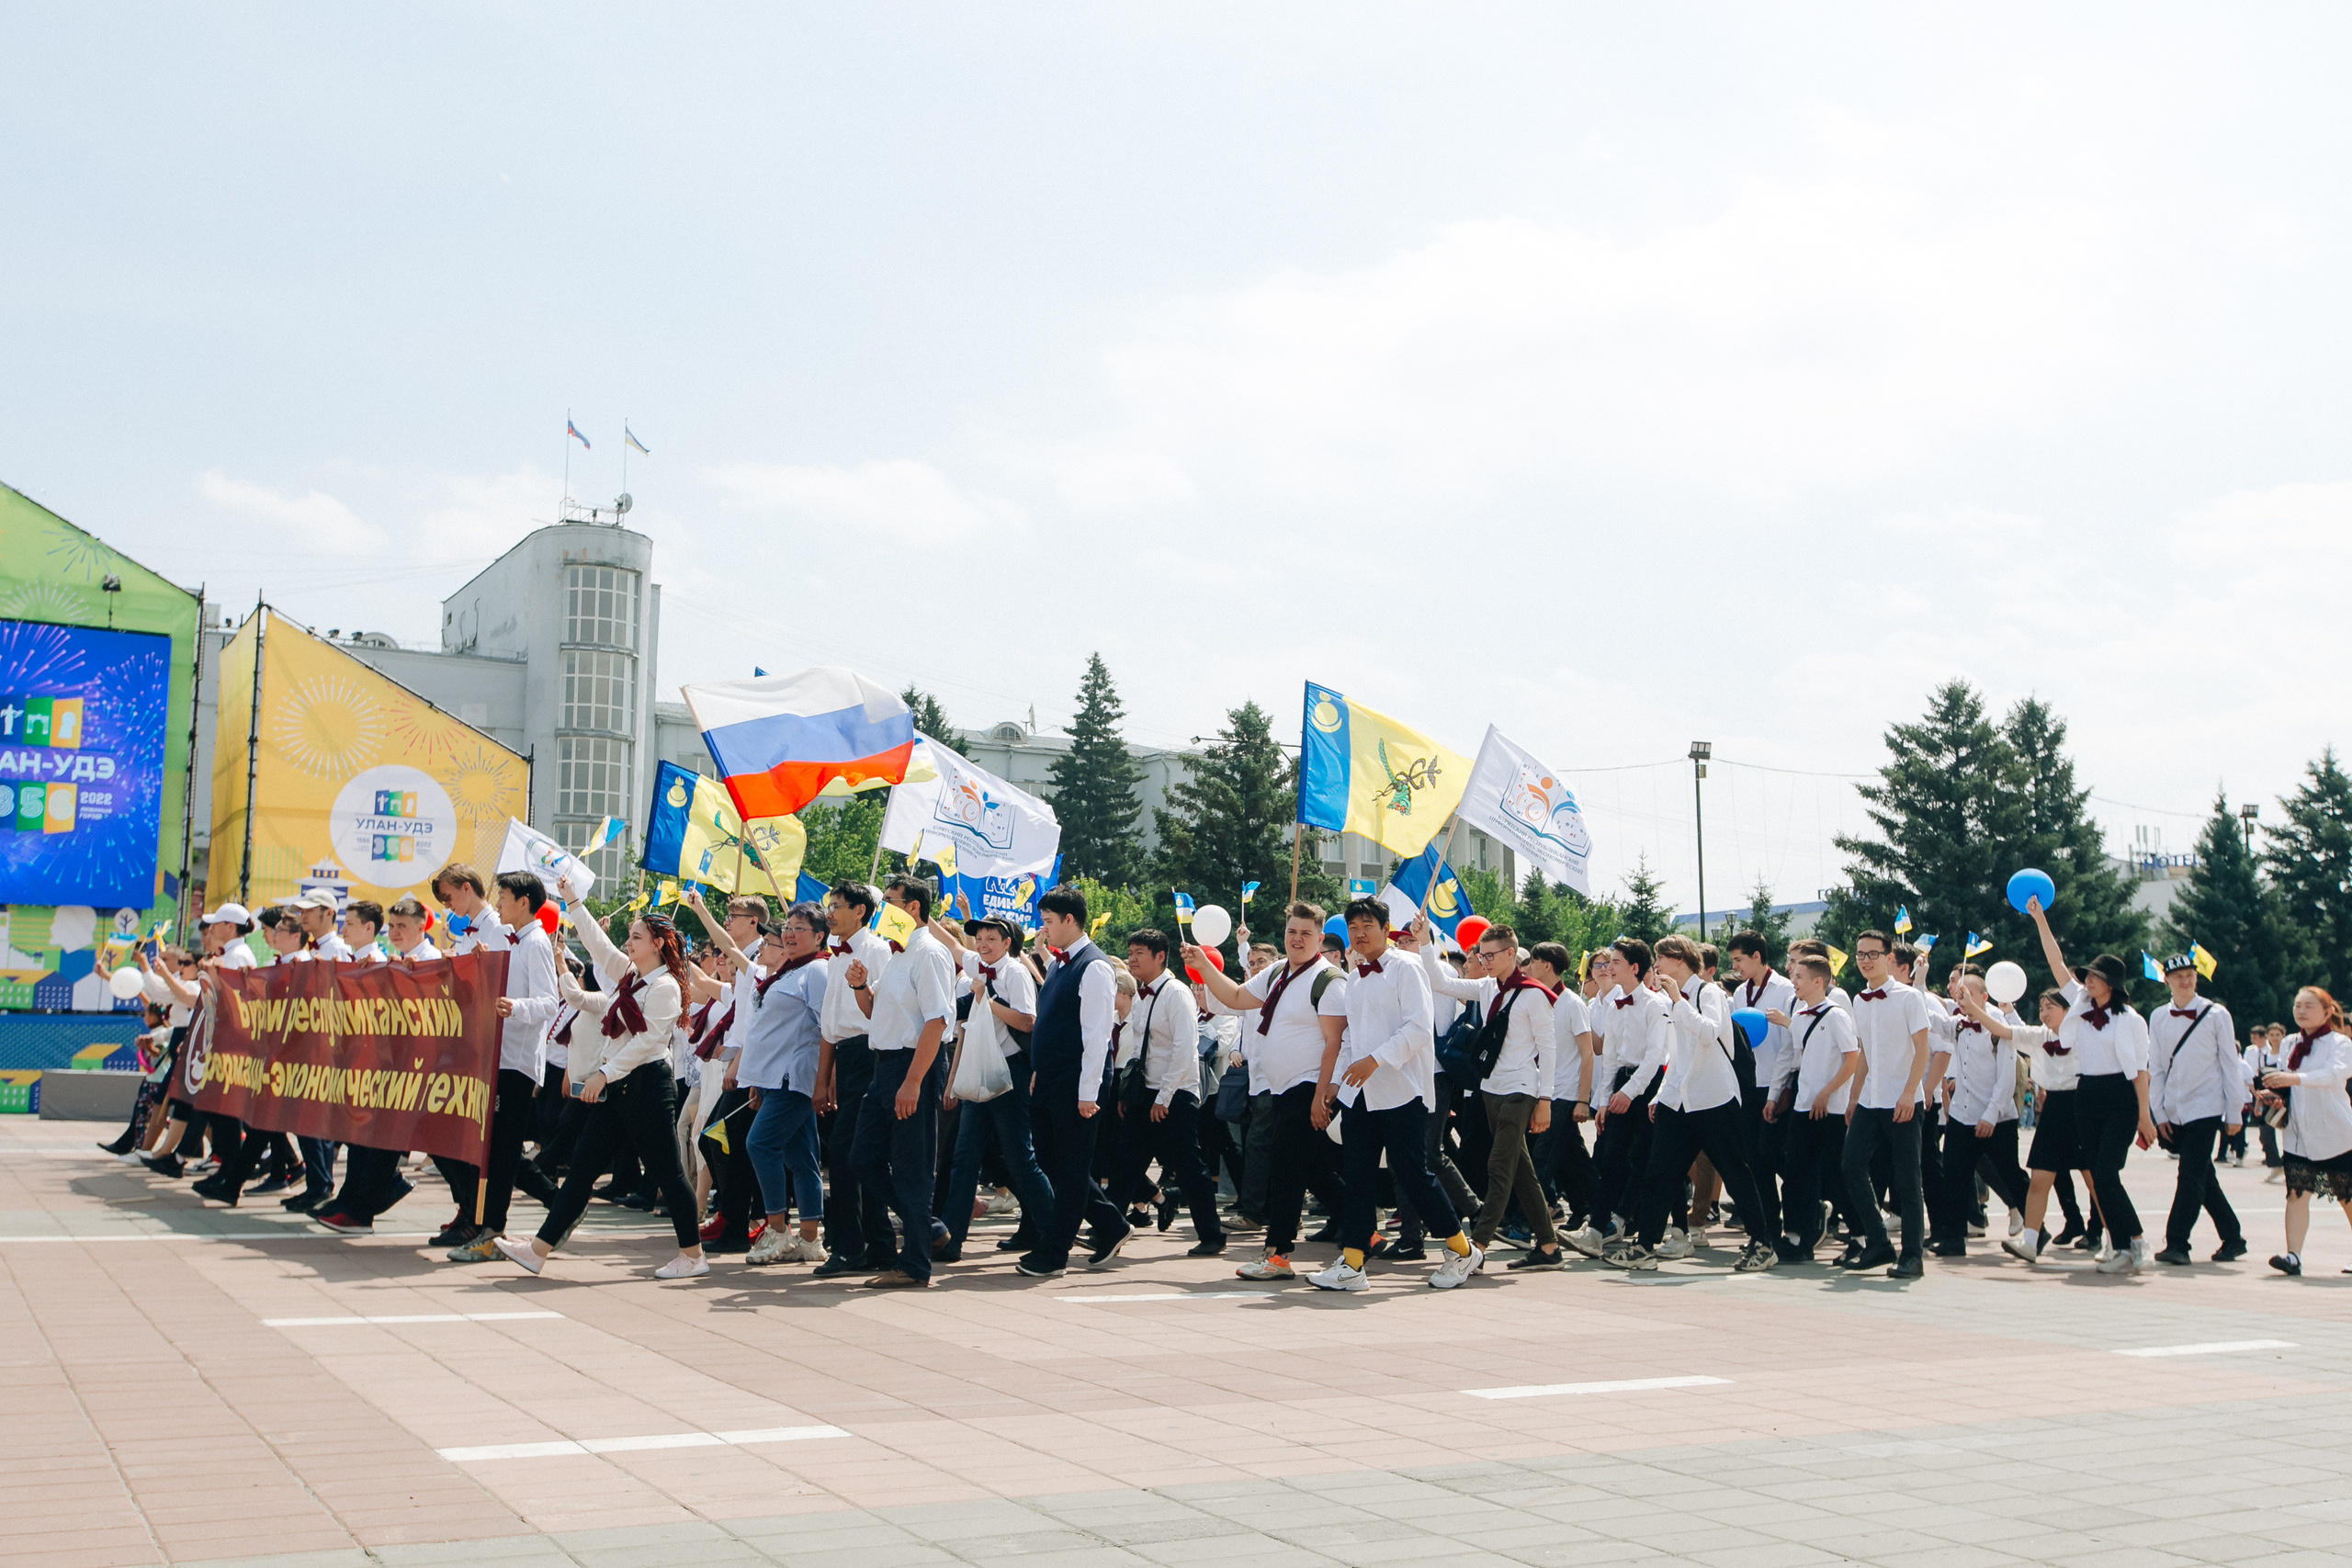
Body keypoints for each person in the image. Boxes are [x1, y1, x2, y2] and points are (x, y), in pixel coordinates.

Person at [497, 884, 707, 1279]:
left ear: (659, 943)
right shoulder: (631, 976)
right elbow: (596, 944)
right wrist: (573, 902)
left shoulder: (665, 988)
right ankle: (538, 1251)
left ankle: (692, 1256)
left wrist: (602, 1074)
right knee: (581, 1168)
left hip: (647, 1087)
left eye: (636, 937)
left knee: (668, 1173)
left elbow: (646, 1044)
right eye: (629, 936)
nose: (628, 942)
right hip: (619, 1086)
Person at [1306, 900, 1483, 1292]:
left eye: (1367, 924)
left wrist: (1376, 1060)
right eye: (1353, 927)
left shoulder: (1407, 968)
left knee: (1412, 1173)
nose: (1359, 933)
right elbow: (1351, 1035)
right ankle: (1352, 1263)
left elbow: (1420, 1028)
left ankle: (1461, 1248)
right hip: (1361, 1095)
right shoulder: (1354, 976)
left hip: (1402, 1089)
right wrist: (1337, 1081)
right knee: (1357, 1175)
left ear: (1386, 928)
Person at [1188, 901, 1349, 1281]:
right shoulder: (1277, 972)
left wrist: (1321, 1096)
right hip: (1277, 1088)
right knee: (1314, 1171)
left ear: (1319, 938)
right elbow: (1237, 998)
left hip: (1307, 1086)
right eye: (1292, 931)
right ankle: (1364, 1231)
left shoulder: (1329, 981)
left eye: (1306, 933)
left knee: (1288, 1171)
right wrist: (1203, 963)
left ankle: (1278, 1255)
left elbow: (1334, 1044)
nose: (1297, 939)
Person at [1608, 934, 1778, 1273]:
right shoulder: (1673, 1000)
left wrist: (1678, 1001)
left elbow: (1709, 1032)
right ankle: (1645, 1246)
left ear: (1680, 959)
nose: (1656, 964)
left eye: (1661, 957)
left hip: (1715, 1098)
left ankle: (1763, 1243)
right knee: (1660, 1172)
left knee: (1735, 1172)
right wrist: (1662, 1096)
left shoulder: (1708, 992)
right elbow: (1678, 1054)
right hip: (1681, 1100)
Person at [1419, 919, 1565, 1269]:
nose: (1483, 961)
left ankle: (1477, 1247)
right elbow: (1440, 983)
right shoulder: (1486, 988)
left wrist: (1545, 1100)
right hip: (1490, 1090)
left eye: (1490, 955)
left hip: (1522, 1090)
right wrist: (1425, 942)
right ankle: (1548, 1247)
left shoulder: (1534, 994)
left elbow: (1549, 1049)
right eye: (1480, 955)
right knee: (1520, 1172)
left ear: (1511, 954)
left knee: (1499, 1167)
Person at [2027, 897, 2155, 1274]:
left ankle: (2135, 1242)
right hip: (2087, 1095)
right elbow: (2056, 962)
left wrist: (2144, 1116)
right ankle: (2124, 1245)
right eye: (2088, 976)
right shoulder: (2081, 1003)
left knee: (2106, 1173)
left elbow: (2139, 1071)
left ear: (2112, 984)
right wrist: (2040, 919)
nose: (2088, 980)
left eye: (2096, 977)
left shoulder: (2130, 1019)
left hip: (2120, 1098)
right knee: (2099, 1174)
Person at [442, 873, 563, 1262]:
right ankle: (559, 1205)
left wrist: (516, 1007)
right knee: (500, 1149)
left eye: (505, 896)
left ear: (524, 901)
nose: (499, 902)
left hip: (519, 1061)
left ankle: (493, 1232)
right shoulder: (506, 938)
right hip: (496, 1055)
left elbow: (549, 1001)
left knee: (502, 1150)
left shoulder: (537, 942)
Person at [845, 874, 955, 1289]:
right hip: (885, 1066)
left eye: (890, 901)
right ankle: (927, 1226)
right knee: (862, 1158)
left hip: (914, 1067)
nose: (882, 909)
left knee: (911, 1167)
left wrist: (912, 1082)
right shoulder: (898, 953)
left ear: (913, 908)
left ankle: (914, 1264)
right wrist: (859, 987)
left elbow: (937, 1021)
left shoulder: (929, 952)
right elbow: (877, 1013)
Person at [1016, 886, 1131, 1278]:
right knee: (1053, 1163)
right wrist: (1037, 1070)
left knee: (1069, 1168)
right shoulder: (1061, 963)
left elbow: (1096, 1034)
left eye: (1049, 922)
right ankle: (1112, 1224)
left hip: (1077, 1084)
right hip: (1049, 1079)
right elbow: (1053, 1023)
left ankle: (1055, 1251)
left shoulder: (1095, 966)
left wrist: (1087, 1093)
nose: (1043, 930)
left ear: (1070, 920)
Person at [712, 897, 831, 1266]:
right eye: (788, 929)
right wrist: (756, 1079)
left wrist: (823, 1083)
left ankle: (778, 1228)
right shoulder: (787, 973)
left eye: (800, 929)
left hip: (794, 1077)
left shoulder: (817, 972)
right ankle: (810, 1238)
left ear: (820, 936)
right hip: (771, 1078)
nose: (790, 935)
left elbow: (828, 1029)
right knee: (801, 1157)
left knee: (759, 1145)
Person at [936, 914, 1056, 1263]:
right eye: (980, 938)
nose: (983, 944)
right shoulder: (976, 968)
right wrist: (953, 1080)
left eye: (991, 938)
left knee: (1020, 1157)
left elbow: (1028, 1021)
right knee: (964, 1159)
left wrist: (986, 1001)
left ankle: (1053, 1232)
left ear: (1008, 943)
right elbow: (954, 946)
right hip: (978, 1073)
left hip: (1011, 1073)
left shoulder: (1015, 972)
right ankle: (951, 1240)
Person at [1107, 930, 1226, 1255]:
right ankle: (1109, 1230)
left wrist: (1164, 1097)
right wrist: (1125, 1092)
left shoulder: (1176, 994)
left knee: (1190, 1169)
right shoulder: (1142, 996)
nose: (1132, 959)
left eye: (1139, 953)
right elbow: (1138, 1047)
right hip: (1143, 1093)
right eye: (1130, 952)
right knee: (1125, 1165)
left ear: (1160, 957)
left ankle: (1212, 1236)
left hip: (1174, 1095)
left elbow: (1186, 1049)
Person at [811, 881, 897, 1280]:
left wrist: (862, 985)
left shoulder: (876, 951)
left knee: (849, 1153)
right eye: (829, 906)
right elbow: (830, 1023)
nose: (830, 914)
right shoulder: (834, 956)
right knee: (857, 1152)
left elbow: (880, 1012)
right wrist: (823, 1079)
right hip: (845, 1057)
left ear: (861, 911)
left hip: (871, 1054)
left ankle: (849, 1247)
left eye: (838, 906)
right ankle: (878, 1244)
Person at [1838, 930, 1931, 1278]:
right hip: (1870, 1100)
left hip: (1903, 1099)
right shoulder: (1859, 1000)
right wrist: (1853, 1096)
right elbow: (1864, 1053)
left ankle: (1912, 1256)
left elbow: (1922, 1049)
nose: (1865, 960)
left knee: (1907, 1180)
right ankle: (1878, 1242)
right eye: (1860, 954)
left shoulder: (1908, 998)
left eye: (1872, 954)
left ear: (1888, 957)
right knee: (1850, 1166)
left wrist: (1909, 1092)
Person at [2147, 953, 2248, 1265]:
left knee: (2189, 1174)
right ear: (2166, 980)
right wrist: (2159, 1113)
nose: (2185, 980)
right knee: (2203, 1174)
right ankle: (2233, 1237)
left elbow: (2230, 1066)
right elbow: (2158, 1068)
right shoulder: (2158, 1016)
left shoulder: (2216, 1014)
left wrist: (2234, 1113)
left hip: (2207, 1106)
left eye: (2190, 974)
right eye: (2178, 975)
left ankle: (2177, 1242)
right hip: (2176, 1109)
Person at [2254, 987, 2352, 1276]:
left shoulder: (2340, 1043)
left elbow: (2334, 1075)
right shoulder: (2288, 1043)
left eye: (2309, 1005)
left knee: (2347, 1195)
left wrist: (2293, 1079)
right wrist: (2275, 1093)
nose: (2301, 1010)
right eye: (2297, 1005)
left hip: (2336, 1132)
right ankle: (2293, 1256)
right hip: (2299, 1132)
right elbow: (2290, 1084)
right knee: (2296, 1193)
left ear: (2327, 1010)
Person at [1771, 953, 1860, 1259]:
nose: (1793, 983)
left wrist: (1828, 1092)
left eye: (1799, 978)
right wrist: (1779, 1095)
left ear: (1817, 981)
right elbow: (1796, 1060)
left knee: (1839, 1175)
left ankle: (1859, 1237)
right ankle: (1796, 1238)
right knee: (1796, 1173)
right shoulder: (1799, 1016)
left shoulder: (1836, 1015)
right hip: (1803, 1106)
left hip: (1832, 1110)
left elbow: (1852, 1058)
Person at [1939, 965, 2028, 1254]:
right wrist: (1919, 982)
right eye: (1958, 993)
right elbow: (1933, 1021)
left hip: (1996, 1117)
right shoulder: (1960, 1022)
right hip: (1963, 1115)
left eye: (1968, 993)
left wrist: (1991, 1114)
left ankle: (2036, 1225)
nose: (1961, 998)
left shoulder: (1997, 1024)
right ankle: (1953, 1238)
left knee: (2011, 1174)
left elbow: (2006, 1076)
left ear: (1985, 996)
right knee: (1954, 1175)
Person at [1526, 942, 1600, 1248]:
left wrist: (1583, 1099)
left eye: (1533, 961)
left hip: (1565, 1093)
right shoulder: (1537, 999)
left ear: (1547, 965)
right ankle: (1593, 1210)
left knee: (1540, 1160)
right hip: (1543, 1090)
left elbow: (1587, 1054)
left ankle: (1525, 1222)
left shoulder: (1572, 1003)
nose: (1527, 967)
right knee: (1573, 1159)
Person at [1724, 932, 1795, 1243]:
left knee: (1772, 1154)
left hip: (1777, 1085)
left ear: (1757, 956)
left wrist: (1782, 1089)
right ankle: (1768, 1228)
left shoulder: (1785, 990)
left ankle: (1805, 1208)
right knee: (1753, 1159)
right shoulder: (1740, 994)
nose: (1736, 967)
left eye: (1739, 960)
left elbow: (1790, 1045)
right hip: (1749, 1087)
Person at [434, 863, 507, 953]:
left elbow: (507, 966)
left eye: (447, 898)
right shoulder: (468, 931)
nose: (447, 905)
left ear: (466, 888)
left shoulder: (498, 927)